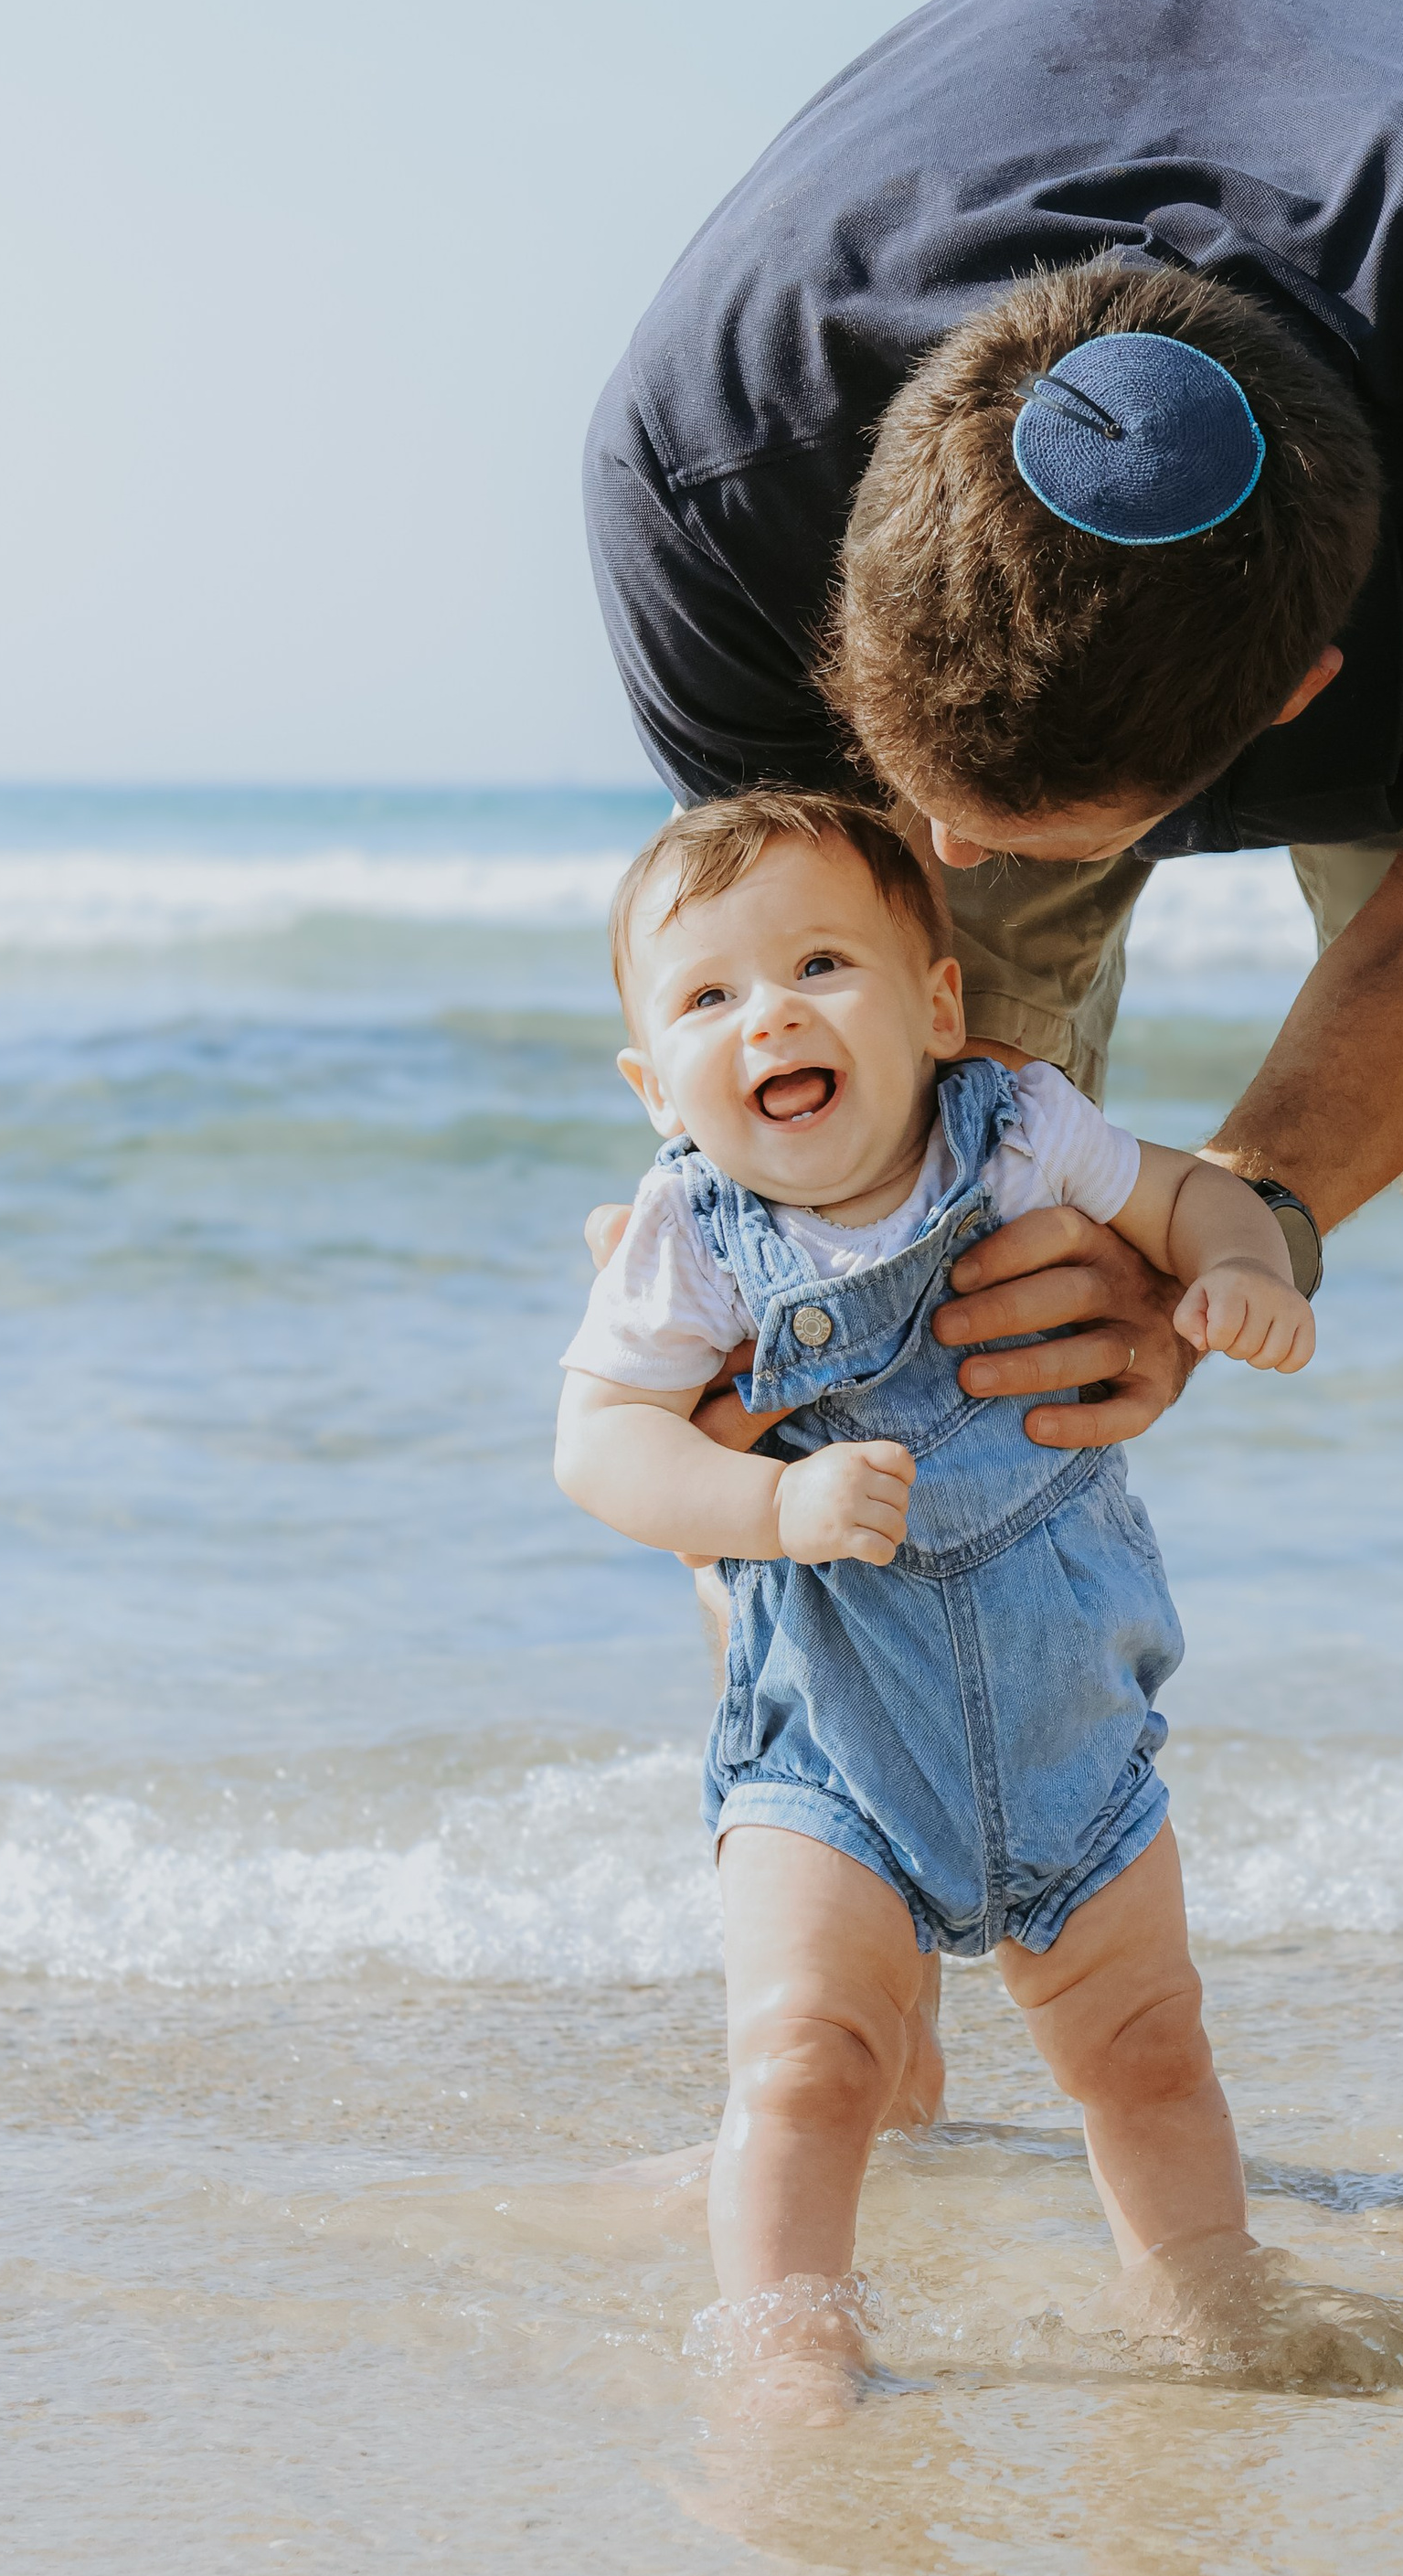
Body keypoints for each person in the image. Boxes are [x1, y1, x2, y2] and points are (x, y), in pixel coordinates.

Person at [582, 0, 1403, 2241]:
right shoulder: (713, 454)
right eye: (951, 837)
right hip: (858, 522)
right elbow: (762, 1144)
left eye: (1028, 854)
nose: (978, 897)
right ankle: (861, 2011)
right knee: (839, 1251)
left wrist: (1241, 1217)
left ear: (1307, 694)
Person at [554, 787, 1315, 2415]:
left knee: (1150, 2057)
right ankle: (787, 2346)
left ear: (938, 1004)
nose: (769, 1013)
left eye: (820, 962)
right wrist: (767, 1501)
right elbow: (599, 1446)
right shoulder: (690, 1233)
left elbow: (1189, 1197)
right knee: (807, 2063)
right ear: (656, 1086)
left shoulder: (1021, 1124)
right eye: (706, 999)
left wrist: (1242, 1269)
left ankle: (1208, 2312)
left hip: (1070, 1729)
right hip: (832, 1750)